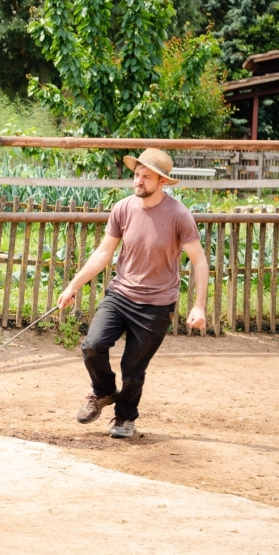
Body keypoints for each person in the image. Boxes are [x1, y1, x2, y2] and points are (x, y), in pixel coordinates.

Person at [56, 148, 209, 439]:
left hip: (157, 304)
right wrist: (73, 286)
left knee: (133, 368)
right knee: (92, 345)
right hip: (120, 294)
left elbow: (199, 261)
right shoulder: (123, 208)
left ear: (162, 181)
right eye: (137, 175)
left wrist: (199, 305)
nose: (138, 181)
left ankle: (125, 417)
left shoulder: (179, 215)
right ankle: (103, 391)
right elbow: (103, 253)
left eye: (146, 177)